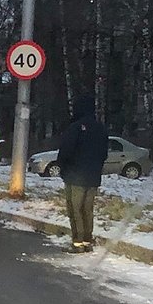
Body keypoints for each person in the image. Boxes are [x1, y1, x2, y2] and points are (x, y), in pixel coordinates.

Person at [56, 95, 108, 253]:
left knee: (75, 209)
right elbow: (104, 153)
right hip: (93, 176)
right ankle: (87, 240)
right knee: (88, 209)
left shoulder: (75, 128)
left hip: (75, 175)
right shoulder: (101, 128)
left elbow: (66, 151)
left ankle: (77, 242)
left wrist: (63, 167)